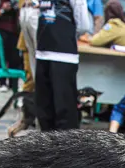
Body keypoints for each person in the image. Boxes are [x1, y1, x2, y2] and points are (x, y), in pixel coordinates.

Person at [35, 0, 91, 131]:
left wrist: (66, 33)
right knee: (44, 109)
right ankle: (46, 147)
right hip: (42, 51)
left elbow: (83, 25)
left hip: (64, 54)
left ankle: (66, 149)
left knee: (64, 110)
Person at [0, 0, 22, 92]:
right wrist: (2, 10)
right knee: (1, 49)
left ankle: (13, 83)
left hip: (13, 31)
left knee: (15, 56)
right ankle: (2, 82)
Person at [19, 0, 39, 80]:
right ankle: (37, 87)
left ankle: (43, 88)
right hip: (26, 10)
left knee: (40, 52)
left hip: (39, 10)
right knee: (32, 52)